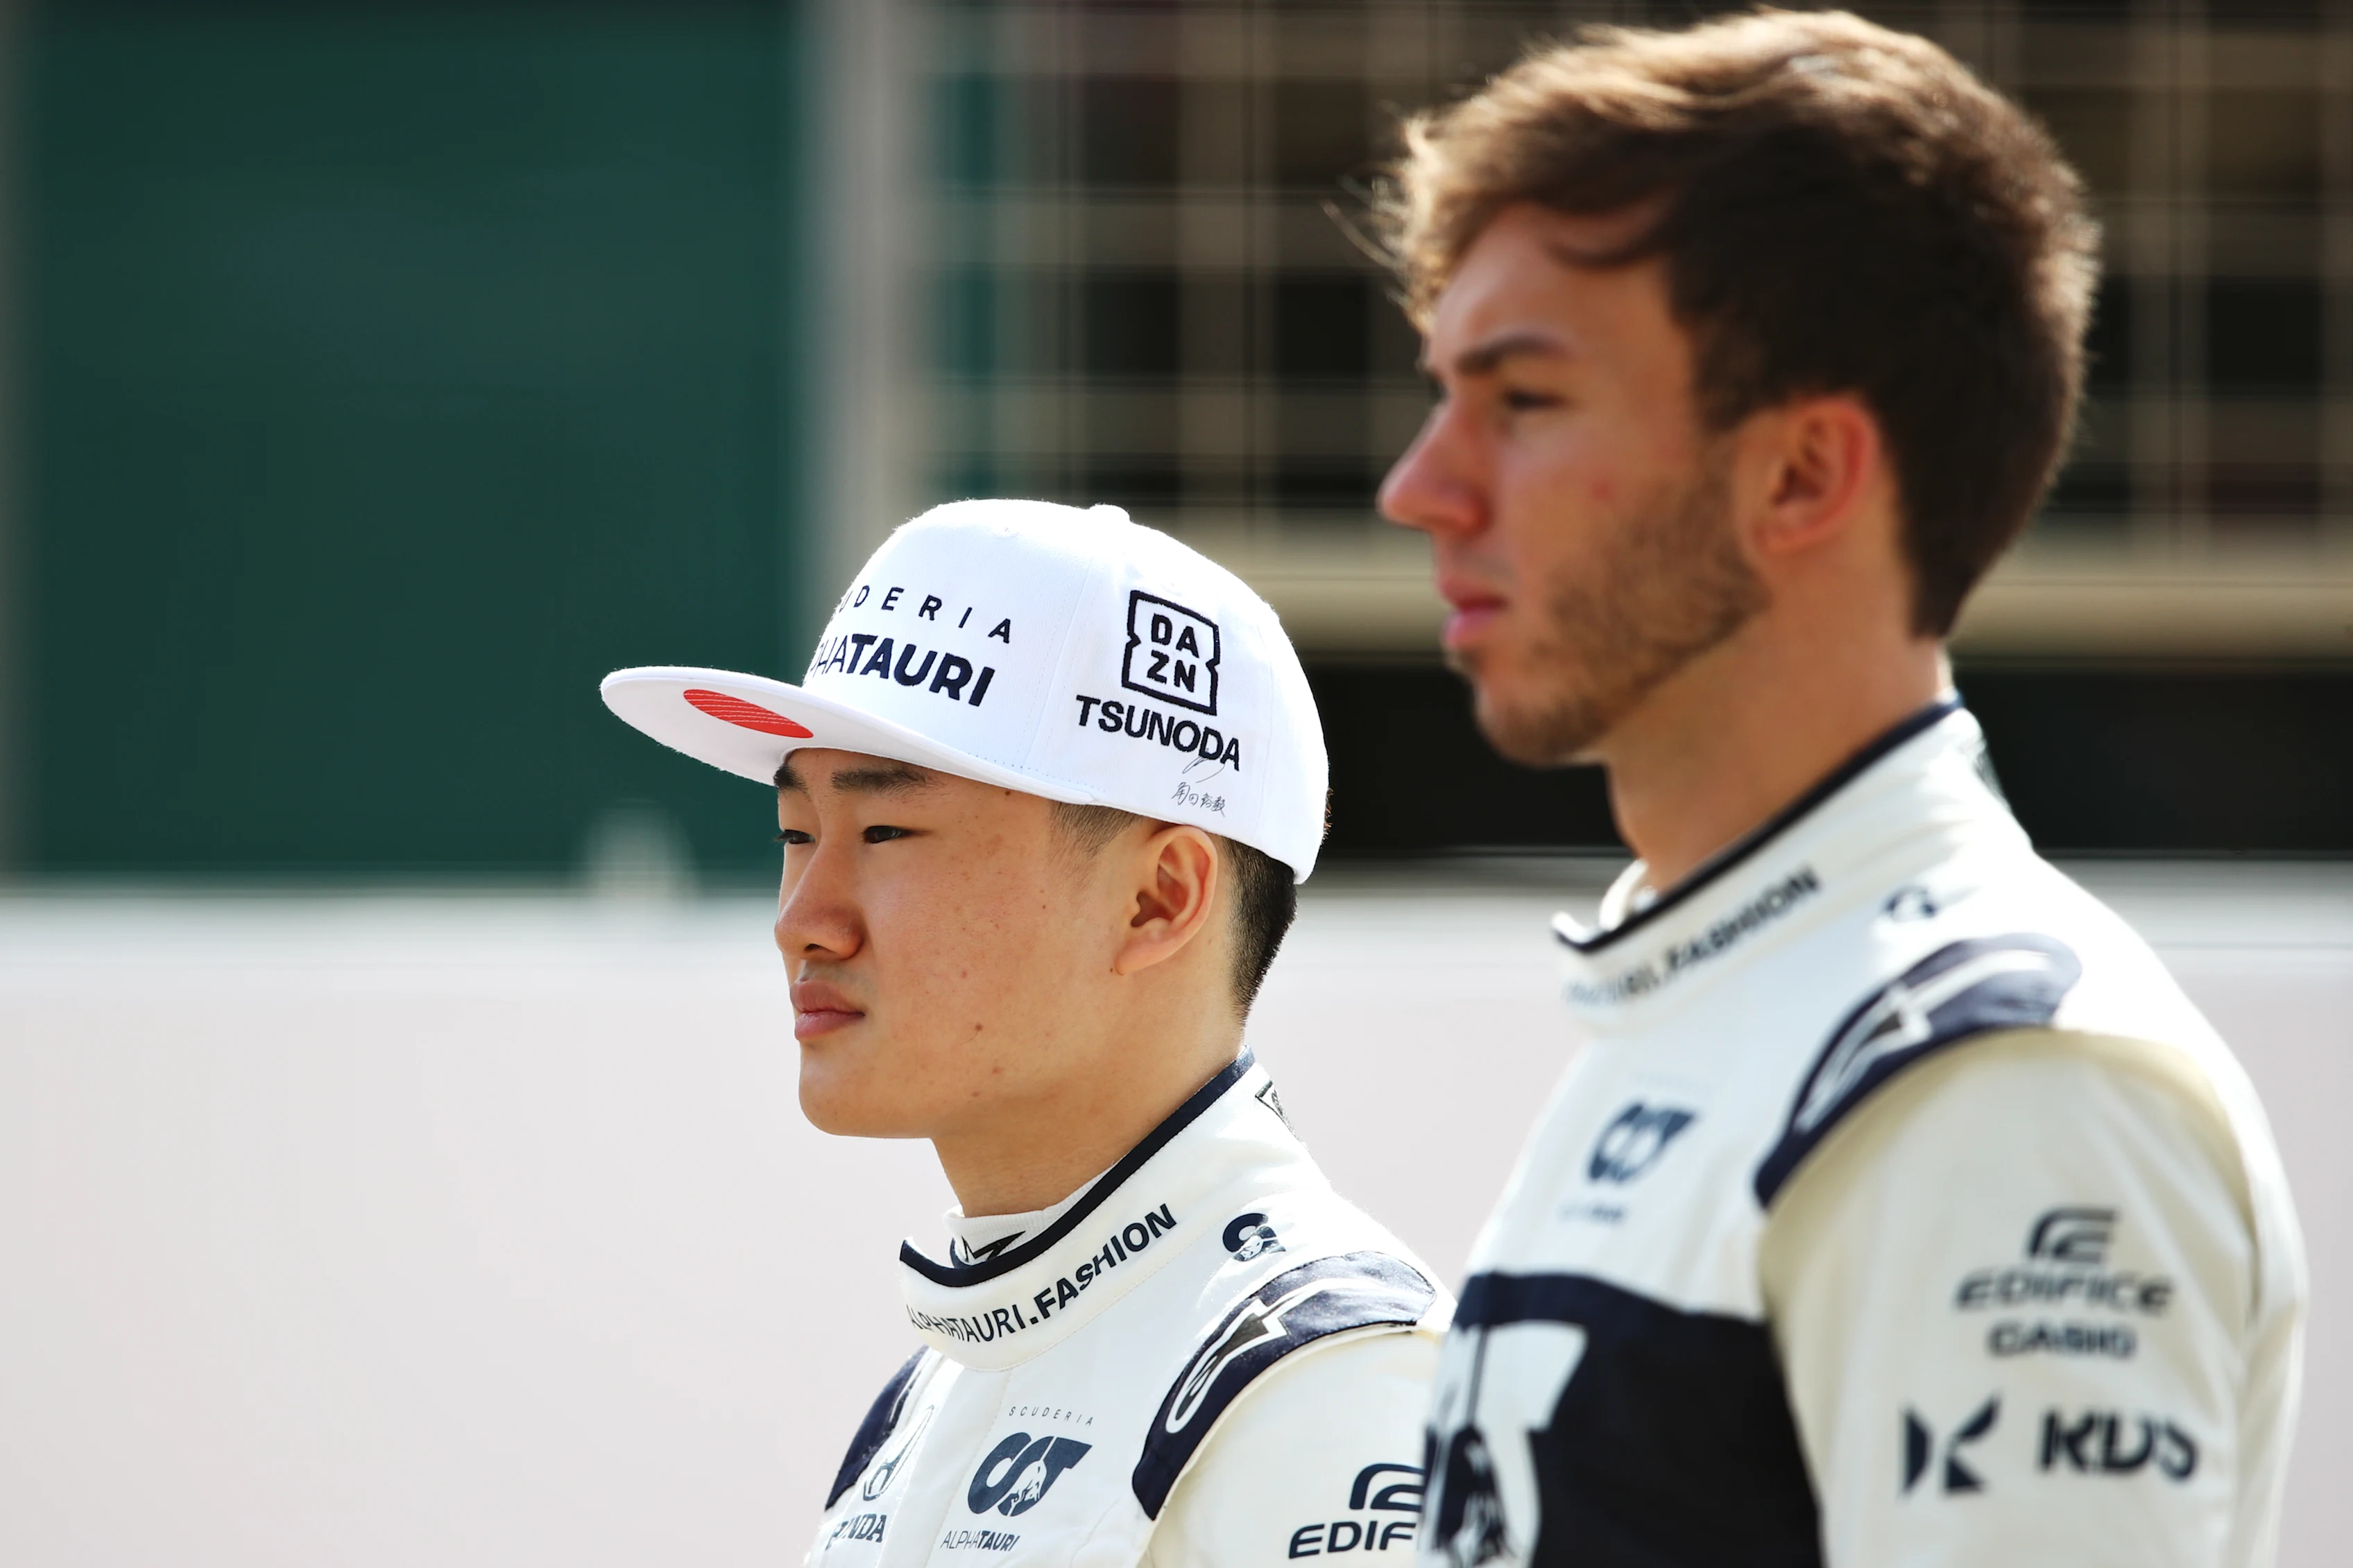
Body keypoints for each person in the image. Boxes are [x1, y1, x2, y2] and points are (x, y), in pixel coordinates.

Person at [1372, 12, 2304, 1568]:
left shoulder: (1999, 1079)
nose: (1421, 484)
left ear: (1801, 474)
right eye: (1442, 391)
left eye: (1521, 399)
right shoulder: (1719, 992)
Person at [601, 499, 1448, 1568]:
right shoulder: (933, 1397)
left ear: (1157, 900)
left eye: (887, 831)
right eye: (796, 833)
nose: (802, 919)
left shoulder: (1336, 1389)